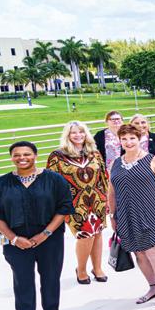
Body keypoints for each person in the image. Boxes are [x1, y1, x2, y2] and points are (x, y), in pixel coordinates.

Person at [0, 140, 74, 310]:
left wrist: (45, 234)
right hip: (15, 242)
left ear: (35, 155)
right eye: (17, 155)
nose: (22, 158)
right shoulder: (1, 184)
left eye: (26, 154)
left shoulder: (54, 180)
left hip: (50, 238)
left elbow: (64, 208)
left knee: (51, 274)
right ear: (11, 158)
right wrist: (14, 238)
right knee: (22, 278)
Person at [107, 124, 155, 310]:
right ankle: (153, 287)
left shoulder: (152, 160)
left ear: (139, 139)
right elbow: (111, 192)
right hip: (126, 214)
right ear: (119, 141)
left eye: (132, 138)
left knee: (154, 252)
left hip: (151, 213)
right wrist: (112, 215)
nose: (128, 142)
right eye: (124, 139)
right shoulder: (115, 163)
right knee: (139, 252)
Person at [45, 120, 110, 284]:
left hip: (97, 200)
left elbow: (104, 177)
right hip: (73, 203)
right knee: (85, 235)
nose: (78, 135)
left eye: (81, 132)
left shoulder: (94, 153)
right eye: (73, 132)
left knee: (98, 233)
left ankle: (97, 268)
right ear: (67, 135)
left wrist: (108, 199)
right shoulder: (57, 156)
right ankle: (81, 269)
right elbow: (50, 182)